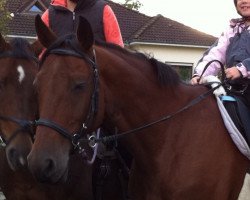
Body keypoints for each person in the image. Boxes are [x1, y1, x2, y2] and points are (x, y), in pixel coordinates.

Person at [190, 0, 250, 106]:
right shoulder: (232, 29)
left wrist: (242, 69)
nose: (243, 1)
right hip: (234, 90)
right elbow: (216, 53)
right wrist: (200, 74)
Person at [41, 0, 124, 47]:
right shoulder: (49, 15)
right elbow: (42, 55)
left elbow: (118, 53)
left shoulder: (103, 10)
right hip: (60, 76)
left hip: (97, 75)